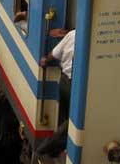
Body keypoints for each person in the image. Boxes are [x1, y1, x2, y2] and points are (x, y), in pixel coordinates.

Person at [37, 29, 76, 159]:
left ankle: (56, 150)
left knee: (65, 119)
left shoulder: (72, 35)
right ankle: (46, 149)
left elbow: (53, 55)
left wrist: (44, 61)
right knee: (72, 122)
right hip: (74, 86)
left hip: (64, 82)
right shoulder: (92, 40)